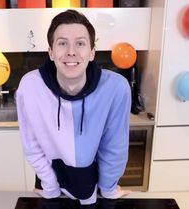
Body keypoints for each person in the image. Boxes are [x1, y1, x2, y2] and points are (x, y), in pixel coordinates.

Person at [16, 9, 131, 205]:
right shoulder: (29, 86)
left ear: (92, 52)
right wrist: (50, 187)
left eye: (80, 43)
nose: (71, 51)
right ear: (51, 52)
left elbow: (114, 147)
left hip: (94, 187)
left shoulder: (116, 88)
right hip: (48, 182)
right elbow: (32, 144)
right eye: (62, 43)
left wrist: (109, 188)